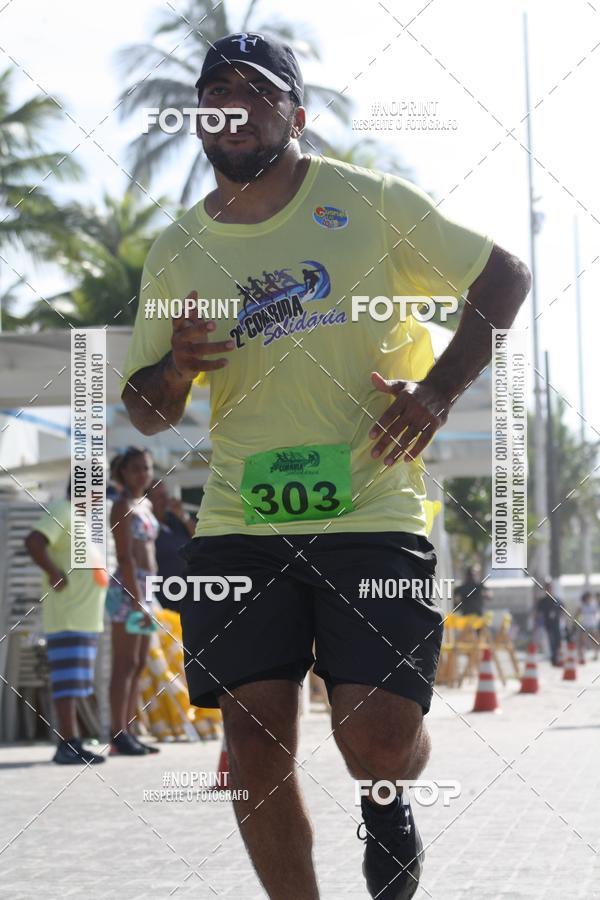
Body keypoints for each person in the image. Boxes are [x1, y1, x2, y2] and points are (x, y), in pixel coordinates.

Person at [120, 33, 531, 900]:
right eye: (214, 89)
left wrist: (438, 391)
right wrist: (177, 370)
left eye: (252, 89)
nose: (229, 102)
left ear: (296, 114)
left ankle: (386, 801)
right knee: (254, 743)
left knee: (376, 737)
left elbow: (505, 276)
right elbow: (143, 410)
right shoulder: (179, 248)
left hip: (373, 502)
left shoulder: (369, 202)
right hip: (241, 519)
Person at [24, 483, 106, 764]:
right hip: (68, 614)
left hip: (84, 617)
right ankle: (67, 743)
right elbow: (34, 541)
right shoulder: (63, 510)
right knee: (67, 683)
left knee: (76, 683)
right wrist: (53, 572)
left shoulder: (80, 518)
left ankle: (73, 741)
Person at [105, 447, 160, 755]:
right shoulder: (121, 506)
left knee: (138, 663)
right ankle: (117, 732)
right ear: (123, 472)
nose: (143, 474)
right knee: (124, 663)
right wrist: (137, 598)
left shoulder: (146, 503)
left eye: (147, 468)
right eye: (137, 468)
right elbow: (125, 556)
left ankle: (129, 728)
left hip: (146, 587)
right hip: (128, 588)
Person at [147, 482, 196, 611]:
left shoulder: (175, 520)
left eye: (165, 496)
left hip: (189, 595)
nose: (164, 501)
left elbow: (200, 539)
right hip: (165, 598)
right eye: (158, 497)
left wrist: (183, 516)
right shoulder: (147, 526)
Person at [535, 579, 562, 666]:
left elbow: (562, 611)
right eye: (548, 588)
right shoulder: (542, 601)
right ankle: (554, 659)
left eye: (550, 588)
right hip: (548, 625)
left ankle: (557, 657)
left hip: (557, 624)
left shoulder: (557, 600)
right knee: (551, 642)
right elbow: (538, 613)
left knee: (558, 641)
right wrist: (538, 624)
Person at [576, 591, 599, 661]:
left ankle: (596, 654)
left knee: (595, 640)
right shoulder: (581, 605)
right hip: (585, 625)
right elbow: (577, 614)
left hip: (593, 625)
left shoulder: (594, 604)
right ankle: (582, 656)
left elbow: (596, 614)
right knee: (583, 641)